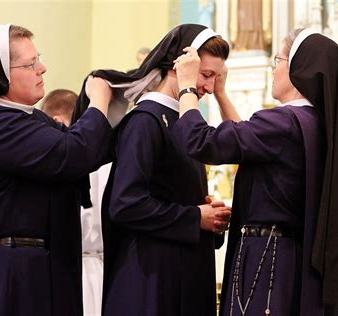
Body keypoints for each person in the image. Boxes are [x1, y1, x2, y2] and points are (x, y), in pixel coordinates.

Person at [172, 28, 338, 315]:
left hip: (267, 257)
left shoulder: (283, 122)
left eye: (279, 60)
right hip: (291, 259)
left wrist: (186, 86)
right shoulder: (311, 123)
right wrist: (221, 95)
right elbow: (248, 144)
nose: (273, 70)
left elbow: (201, 142)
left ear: (300, 68)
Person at [0, 25, 113, 316]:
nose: (42, 68)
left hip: (39, 266)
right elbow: (72, 154)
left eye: (39, 58)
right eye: (31, 63)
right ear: (0, 74)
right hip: (14, 275)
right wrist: (99, 101)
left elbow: (90, 150)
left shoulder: (33, 120)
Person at [80, 24, 233, 316]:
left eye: (216, 78)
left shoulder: (182, 120)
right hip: (150, 279)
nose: (210, 88)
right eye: (206, 75)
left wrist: (206, 211)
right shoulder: (145, 121)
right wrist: (195, 217)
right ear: (178, 67)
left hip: (178, 272)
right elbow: (125, 204)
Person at [41, 88, 107, 316]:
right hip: (101, 269)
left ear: (56, 120)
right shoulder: (104, 157)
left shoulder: (59, 160)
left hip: (69, 267)